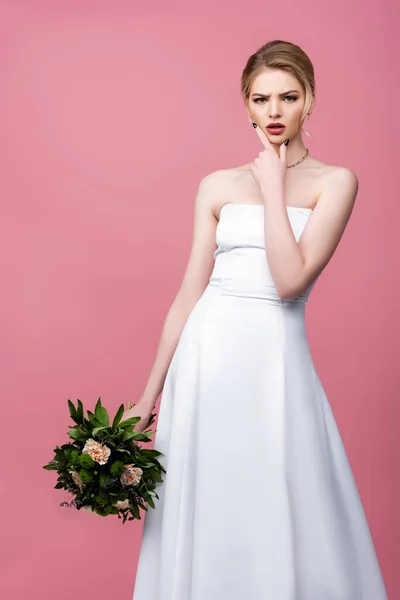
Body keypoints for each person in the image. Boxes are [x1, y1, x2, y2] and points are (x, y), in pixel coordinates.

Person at [124, 40, 388, 599]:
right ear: (245, 104)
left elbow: (291, 279)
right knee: (207, 501)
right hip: (205, 362)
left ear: (309, 101)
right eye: (262, 98)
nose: (274, 112)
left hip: (274, 361)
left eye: (288, 97)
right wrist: (148, 397)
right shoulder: (217, 185)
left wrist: (272, 188)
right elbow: (188, 293)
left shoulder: (335, 182)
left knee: (280, 495)